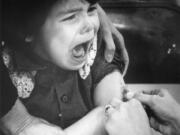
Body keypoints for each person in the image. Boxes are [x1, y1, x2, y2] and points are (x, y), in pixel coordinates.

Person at [0, 0, 128, 134]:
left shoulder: (93, 50)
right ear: (28, 29)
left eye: (91, 10)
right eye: (71, 17)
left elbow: (111, 102)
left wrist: (106, 111)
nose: (89, 26)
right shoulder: (9, 66)